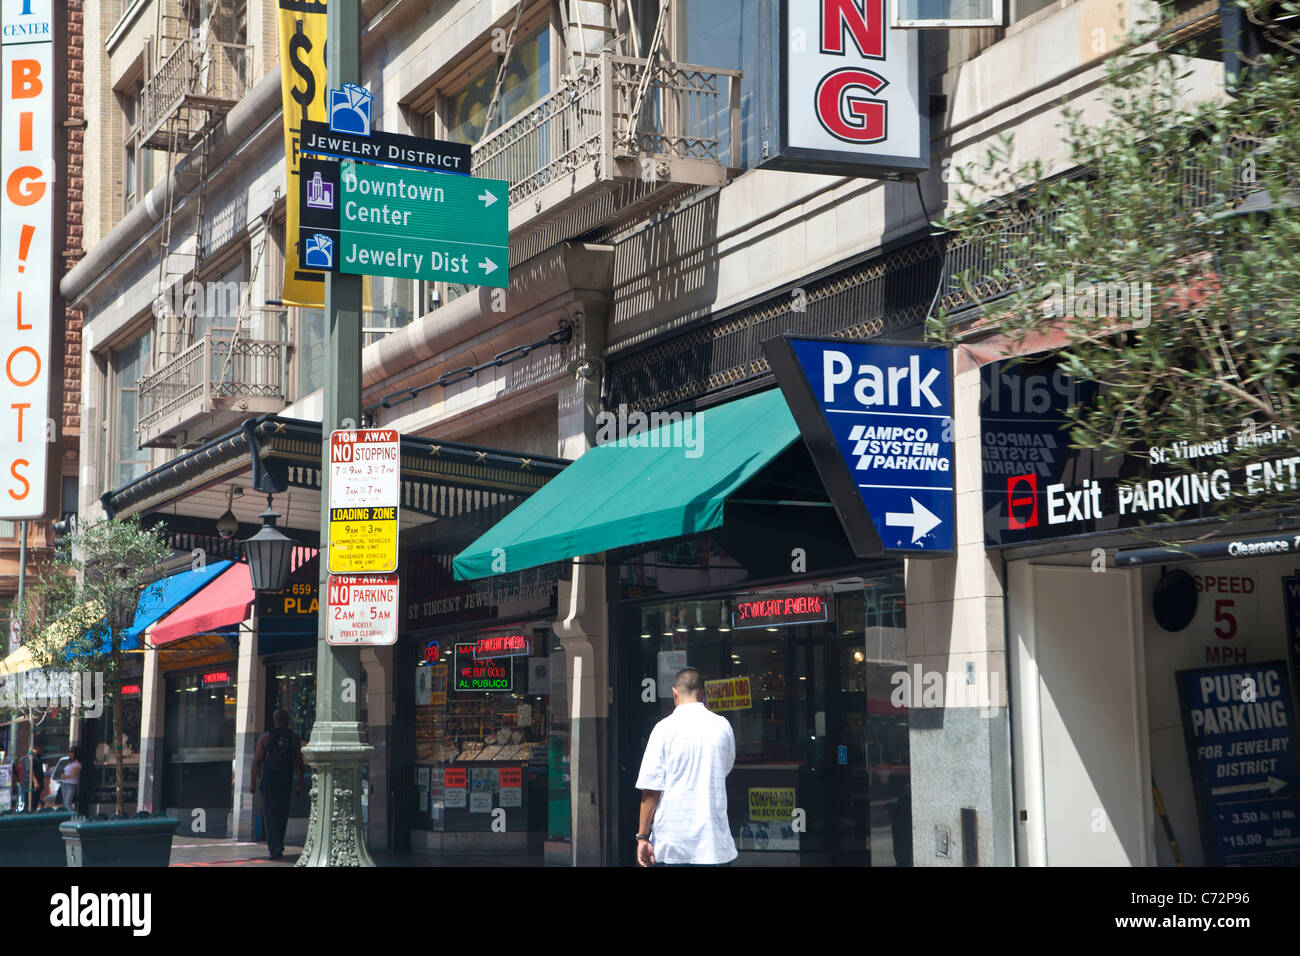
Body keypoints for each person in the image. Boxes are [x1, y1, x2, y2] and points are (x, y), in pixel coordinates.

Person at [634, 667, 738, 867]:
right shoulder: (723, 726)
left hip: (673, 843)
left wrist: (642, 837)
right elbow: (724, 768)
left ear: (675, 693)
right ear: (703, 694)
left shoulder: (663, 730)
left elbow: (651, 792)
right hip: (714, 843)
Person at [250, 708, 304, 860]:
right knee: (282, 814)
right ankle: (278, 844)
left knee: (270, 815)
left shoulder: (265, 737)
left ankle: (274, 847)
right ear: (287, 721)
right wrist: (300, 783)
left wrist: (252, 782)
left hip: (269, 781)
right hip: (285, 781)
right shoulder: (293, 737)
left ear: (275, 720)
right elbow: (299, 762)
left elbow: (256, 761)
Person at [56, 747, 81, 813]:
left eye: (71, 752)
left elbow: (74, 775)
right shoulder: (68, 762)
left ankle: (73, 815)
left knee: (68, 802)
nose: (69, 753)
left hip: (71, 784)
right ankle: (67, 816)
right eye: (69, 751)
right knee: (65, 802)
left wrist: (64, 776)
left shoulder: (77, 763)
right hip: (64, 783)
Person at [23, 741, 44, 813]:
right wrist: (35, 782)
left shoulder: (38, 757)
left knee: (35, 804)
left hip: (37, 786)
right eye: (41, 748)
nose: (42, 750)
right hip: (30, 786)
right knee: (29, 804)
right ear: (37, 748)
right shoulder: (30, 757)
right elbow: (29, 770)